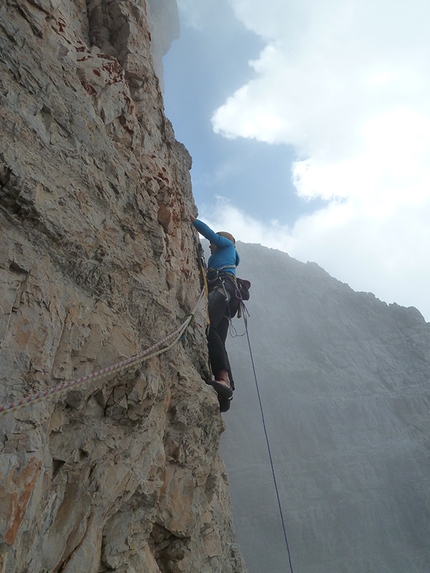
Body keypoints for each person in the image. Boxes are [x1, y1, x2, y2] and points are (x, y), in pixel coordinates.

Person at [192, 217, 240, 412]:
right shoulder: (225, 258)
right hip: (229, 296)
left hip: (223, 289)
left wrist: (191, 219)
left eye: (213, 244)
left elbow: (210, 234)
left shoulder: (227, 245)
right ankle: (226, 389)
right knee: (217, 337)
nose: (210, 246)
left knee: (208, 326)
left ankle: (224, 379)